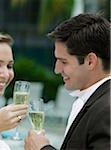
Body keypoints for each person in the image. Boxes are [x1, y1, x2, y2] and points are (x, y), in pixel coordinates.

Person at [24, 13, 110, 150]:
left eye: (63, 61)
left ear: (90, 61)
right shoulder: (93, 100)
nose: (57, 70)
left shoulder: (106, 110)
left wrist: (42, 149)